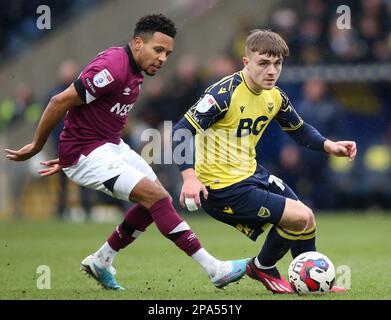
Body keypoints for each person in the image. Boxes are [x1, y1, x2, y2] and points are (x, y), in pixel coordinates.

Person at [5, 14, 248, 290]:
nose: (163, 58)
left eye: (168, 53)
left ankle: (102, 260)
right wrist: (40, 146)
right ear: (137, 43)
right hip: (89, 152)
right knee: (156, 197)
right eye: (158, 50)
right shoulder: (113, 68)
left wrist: (72, 151)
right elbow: (59, 101)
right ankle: (214, 269)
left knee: (157, 200)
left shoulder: (134, 70)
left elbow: (95, 115)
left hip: (107, 145)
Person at [172, 29, 357, 294]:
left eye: (277, 64)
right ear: (246, 63)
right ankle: (262, 266)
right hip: (221, 188)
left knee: (308, 219)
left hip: (251, 174)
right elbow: (180, 130)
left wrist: (330, 145)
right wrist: (189, 177)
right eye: (263, 63)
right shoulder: (223, 94)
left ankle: (312, 283)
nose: (271, 71)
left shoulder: (275, 96)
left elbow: (299, 129)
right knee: (299, 216)